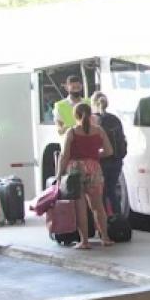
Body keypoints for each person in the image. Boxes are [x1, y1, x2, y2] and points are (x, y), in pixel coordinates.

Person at [56, 102, 114, 249]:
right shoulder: (99, 130)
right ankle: (105, 238)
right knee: (98, 206)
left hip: (75, 170)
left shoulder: (72, 132)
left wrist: (59, 174)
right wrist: (94, 156)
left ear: (75, 115)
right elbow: (109, 151)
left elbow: (64, 155)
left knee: (80, 207)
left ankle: (85, 241)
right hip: (94, 169)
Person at [91, 93, 128, 215]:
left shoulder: (93, 120)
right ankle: (117, 220)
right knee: (111, 191)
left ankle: (103, 222)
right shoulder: (115, 119)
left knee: (100, 192)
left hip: (101, 161)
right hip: (116, 160)